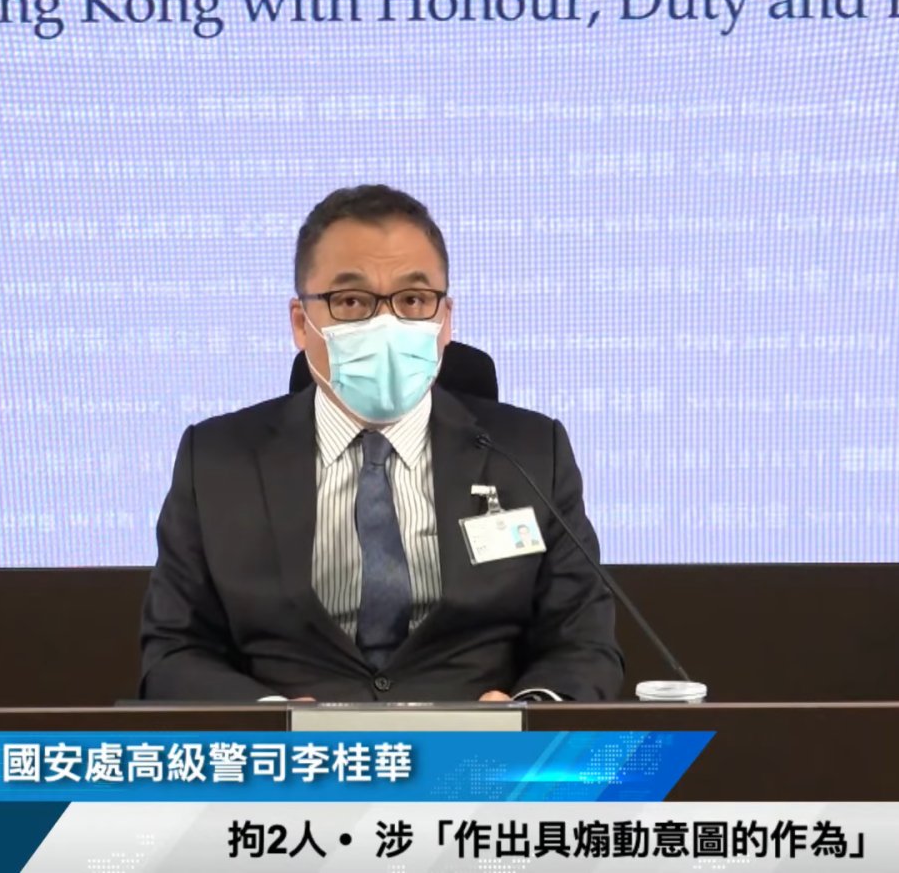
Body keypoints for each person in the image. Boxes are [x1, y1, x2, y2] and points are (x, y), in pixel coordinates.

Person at [139, 184, 623, 702]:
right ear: (301, 324)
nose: (386, 324)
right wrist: (270, 722)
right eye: (351, 301)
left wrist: (529, 716)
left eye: (413, 300)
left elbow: (582, 639)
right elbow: (175, 650)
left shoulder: (531, 453)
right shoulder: (216, 461)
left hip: (478, 748)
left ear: (445, 321)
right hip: (298, 751)